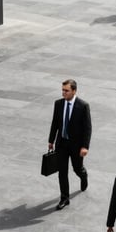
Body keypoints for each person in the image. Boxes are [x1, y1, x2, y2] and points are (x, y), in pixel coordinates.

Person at [48, 79, 92, 210]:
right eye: (62, 90)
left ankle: (83, 176)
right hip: (61, 144)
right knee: (62, 172)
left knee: (77, 168)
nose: (63, 93)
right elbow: (55, 123)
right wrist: (51, 140)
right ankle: (64, 198)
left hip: (76, 146)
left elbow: (87, 128)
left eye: (66, 90)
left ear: (74, 91)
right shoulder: (58, 104)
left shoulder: (83, 106)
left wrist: (85, 146)